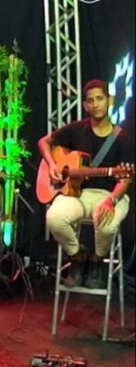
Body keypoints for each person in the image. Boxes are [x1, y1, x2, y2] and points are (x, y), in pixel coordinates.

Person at [40, 79, 132, 288]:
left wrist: (111, 200)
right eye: (90, 101)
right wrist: (52, 164)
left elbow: (125, 180)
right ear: (85, 105)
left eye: (100, 99)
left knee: (107, 225)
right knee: (54, 217)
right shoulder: (77, 129)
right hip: (78, 193)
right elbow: (43, 142)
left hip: (111, 193)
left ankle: (97, 261)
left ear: (110, 100)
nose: (95, 104)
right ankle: (77, 257)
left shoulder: (123, 138)